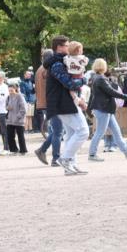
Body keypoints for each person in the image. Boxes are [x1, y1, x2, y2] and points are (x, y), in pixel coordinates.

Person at [45, 36, 88, 175]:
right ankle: (65, 158)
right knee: (83, 131)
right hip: (62, 103)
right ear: (59, 47)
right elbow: (69, 83)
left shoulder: (64, 61)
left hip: (65, 102)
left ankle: (71, 166)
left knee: (71, 134)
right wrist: (84, 80)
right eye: (66, 45)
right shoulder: (58, 64)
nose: (69, 47)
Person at [87, 59, 127, 161]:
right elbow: (112, 92)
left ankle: (126, 151)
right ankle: (92, 154)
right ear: (103, 67)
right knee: (100, 132)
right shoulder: (101, 79)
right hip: (103, 109)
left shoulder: (96, 78)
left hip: (105, 109)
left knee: (116, 131)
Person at [34, 49, 63, 166]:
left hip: (44, 103)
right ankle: (55, 158)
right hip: (51, 103)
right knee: (58, 131)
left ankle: (42, 150)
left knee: (57, 131)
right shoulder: (47, 70)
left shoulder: (39, 69)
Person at [5, 81, 27, 154]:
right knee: (10, 136)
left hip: (18, 120)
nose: (10, 92)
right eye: (9, 90)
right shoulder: (8, 97)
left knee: (20, 136)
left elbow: (23, 109)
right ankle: (13, 150)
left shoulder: (20, 96)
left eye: (12, 90)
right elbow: (6, 106)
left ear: (15, 89)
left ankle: (23, 150)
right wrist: (7, 107)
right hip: (10, 120)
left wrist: (18, 116)